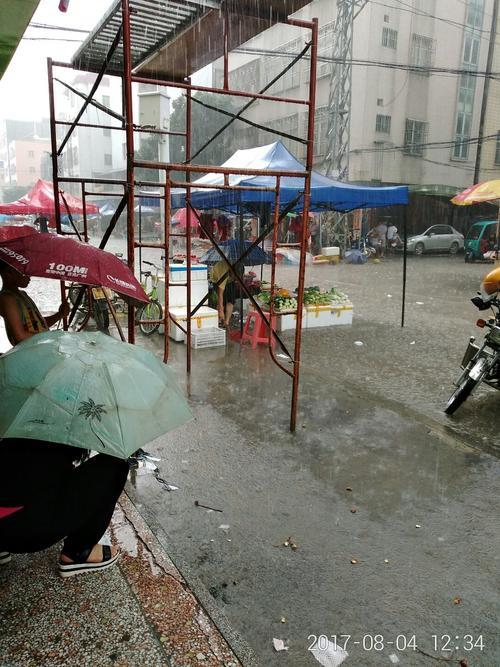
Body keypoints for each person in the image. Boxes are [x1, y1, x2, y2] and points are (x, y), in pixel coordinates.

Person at [0, 438, 128, 577]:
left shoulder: (13, 426)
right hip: (27, 532)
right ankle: (78, 551)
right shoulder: (56, 434)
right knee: (116, 465)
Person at [0, 260, 69, 346]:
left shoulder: (22, 295)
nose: (30, 275)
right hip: (30, 351)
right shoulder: (7, 299)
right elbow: (20, 337)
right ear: (9, 272)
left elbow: (38, 324)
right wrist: (50, 337)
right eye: (24, 270)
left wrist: (60, 314)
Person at [210, 259, 244, 328]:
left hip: (229, 279)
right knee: (221, 301)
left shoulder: (239, 266)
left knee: (231, 300)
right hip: (217, 280)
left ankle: (227, 322)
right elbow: (220, 294)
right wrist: (221, 311)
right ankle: (220, 320)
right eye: (235, 276)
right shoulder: (223, 272)